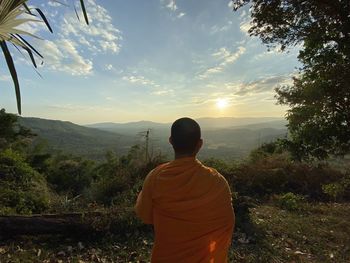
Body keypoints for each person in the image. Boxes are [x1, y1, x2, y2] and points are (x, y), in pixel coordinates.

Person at [135, 117, 235, 263]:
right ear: (200, 144)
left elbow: (144, 215)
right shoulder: (217, 181)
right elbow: (227, 222)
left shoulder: (156, 177)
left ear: (171, 141)